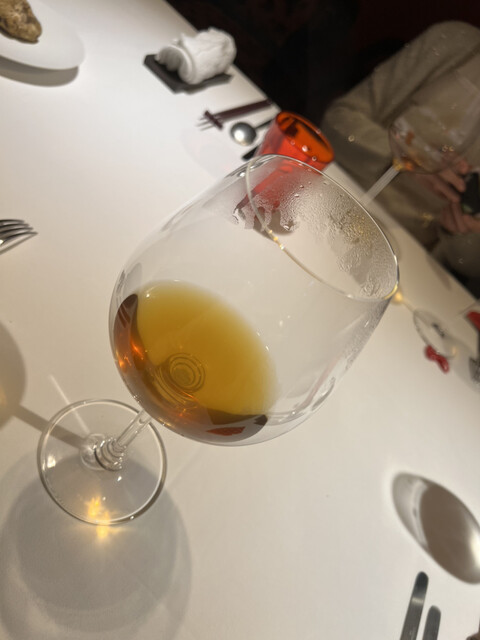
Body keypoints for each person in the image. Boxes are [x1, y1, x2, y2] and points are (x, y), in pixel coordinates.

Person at [320, 21, 480, 288]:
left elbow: (471, 267)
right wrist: (400, 157)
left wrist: (460, 233)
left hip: (402, 269)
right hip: (333, 200)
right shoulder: (453, 42)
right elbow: (337, 121)